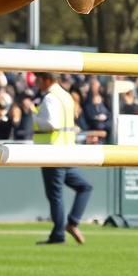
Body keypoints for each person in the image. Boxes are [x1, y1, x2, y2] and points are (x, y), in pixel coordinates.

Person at [33, 70, 91, 245]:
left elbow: (52, 123)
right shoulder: (66, 96)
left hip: (53, 152)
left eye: (39, 79)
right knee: (85, 187)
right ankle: (72, 223)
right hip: (67, 151)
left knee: (55, 196)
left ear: (47, 79)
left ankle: (58, 234)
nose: (36, 83)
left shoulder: (51, 97)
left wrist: (34, 117)